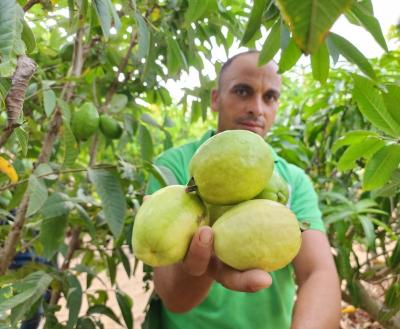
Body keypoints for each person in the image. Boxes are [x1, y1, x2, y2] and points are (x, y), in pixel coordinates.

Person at [144, 50, 341, 329]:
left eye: (269, 97)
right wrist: (204, 261)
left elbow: (318, 273)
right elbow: (174, 298)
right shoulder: (177, 168)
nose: (257, 108)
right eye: (242, 91)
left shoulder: (293, 181)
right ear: (216, 98)